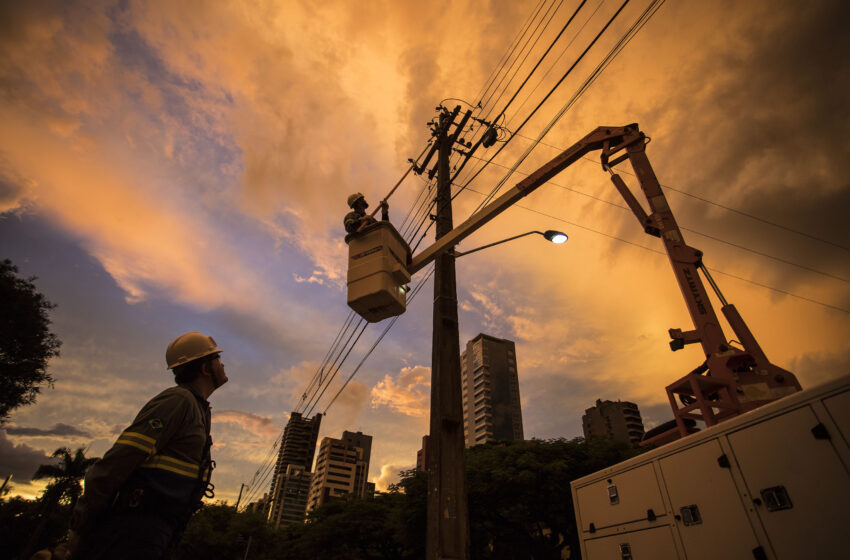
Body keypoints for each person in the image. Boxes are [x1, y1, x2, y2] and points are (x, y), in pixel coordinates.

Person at [52, 331, 228, 560]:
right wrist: (79, 527)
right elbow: (116, 463)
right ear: (205, 368)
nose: (222, 365)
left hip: (159, 527)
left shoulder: (198, 408)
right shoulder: (178, 401)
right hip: (135, 528)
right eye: (217, 360)